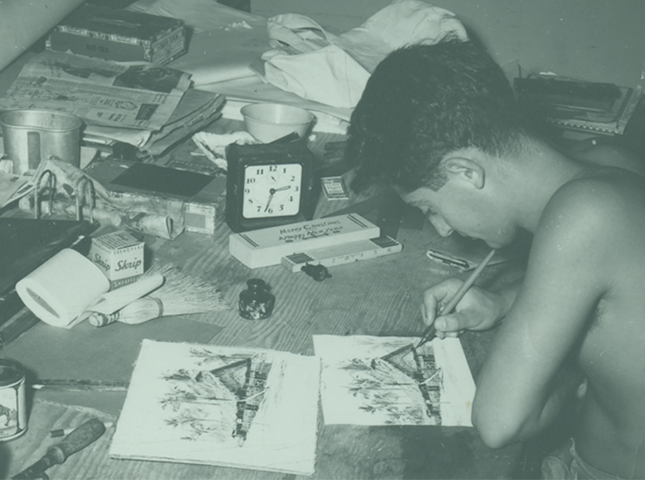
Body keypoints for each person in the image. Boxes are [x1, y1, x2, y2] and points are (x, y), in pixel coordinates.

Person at [346, 38, 645, 479]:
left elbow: (499, 423)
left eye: (431, 206)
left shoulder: (583, 216)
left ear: (466, 171)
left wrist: (569, 378)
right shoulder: (609, 161)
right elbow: (612, 292)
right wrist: (503, 301)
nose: (442, 228)